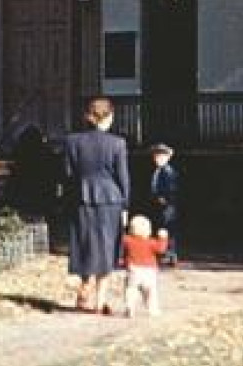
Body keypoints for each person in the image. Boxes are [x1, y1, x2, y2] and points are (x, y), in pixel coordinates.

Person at [62, 96, 129, 313]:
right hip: (111, 199)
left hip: (81, 198)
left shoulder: (72, 141)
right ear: (108, 117)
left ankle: (85, 287)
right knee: (108, 247)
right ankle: (100, 300)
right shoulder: (118, 143)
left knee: (84, 244)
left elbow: (67, 174)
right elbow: (123, 177)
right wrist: (126, 205)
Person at [120, 213, 169, 317]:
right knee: (151, 292)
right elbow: (161, 249)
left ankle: (130, 306)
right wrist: (163, 238)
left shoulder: (128, 240)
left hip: (133, 269)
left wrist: (122, 226)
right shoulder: (151, 242)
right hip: (149, 271)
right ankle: (153, 310)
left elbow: (120, 240)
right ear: (149, 230)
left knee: (131, 289)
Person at [145, 142, 180, 263]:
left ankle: (170, 252)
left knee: (167, 229)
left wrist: (165, 198)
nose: (157, 159)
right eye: (156, 156)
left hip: (167, 205)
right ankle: (164, 251)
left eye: (161, 156)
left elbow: (172, 187)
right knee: (161, 227)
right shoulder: (157, 171)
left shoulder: (168, 171)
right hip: (159, 203)